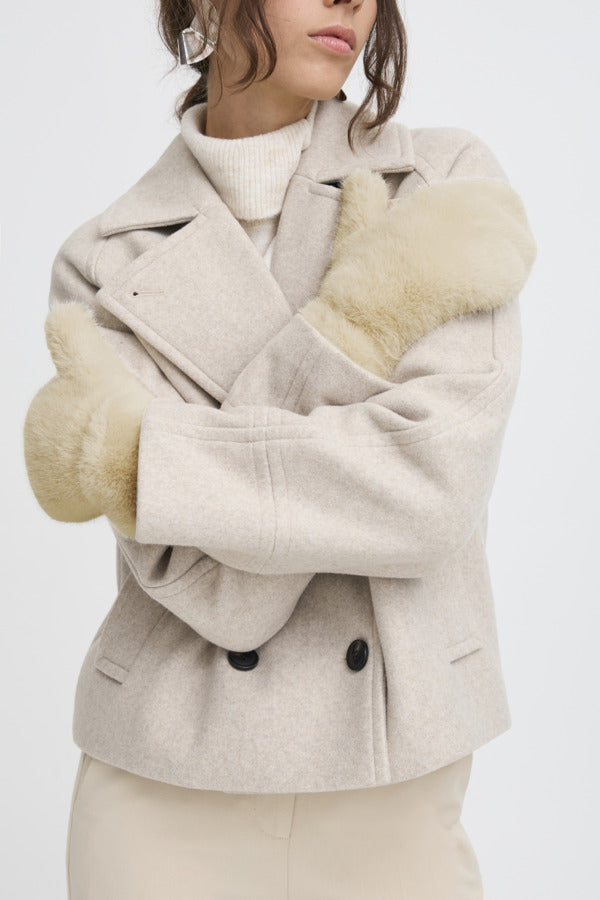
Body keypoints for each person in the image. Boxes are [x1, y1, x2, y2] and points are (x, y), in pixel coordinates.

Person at [22, 0, 537, 897]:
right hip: (158, 792)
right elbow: (219, 593)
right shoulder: (103, 262)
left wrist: (151, 460)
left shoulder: (440, 181)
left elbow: (428, 493)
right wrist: (363, 322)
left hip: (391, 788)